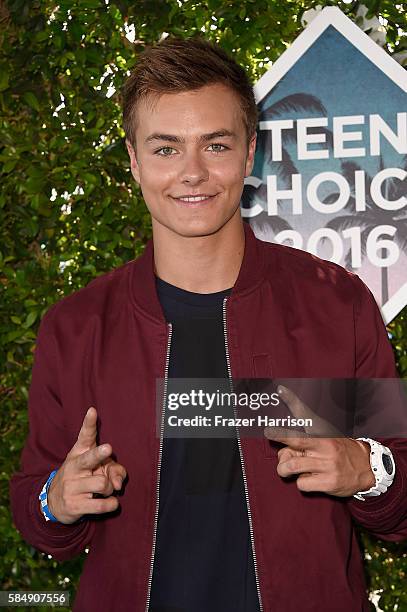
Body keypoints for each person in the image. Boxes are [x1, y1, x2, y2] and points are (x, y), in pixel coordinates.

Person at [10, 37, 407, 612]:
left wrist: (367, 470)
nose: (192, 174)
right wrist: (58, 499)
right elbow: (35, 509)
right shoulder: (75, 328)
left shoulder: (335, 305)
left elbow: (400, 497)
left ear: (248, 154)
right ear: (133, 159)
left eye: (215, 145)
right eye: (166, 149)